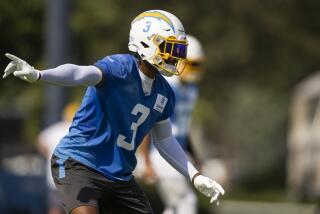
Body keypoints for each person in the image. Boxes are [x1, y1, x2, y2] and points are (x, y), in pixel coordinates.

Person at [3, 10, 224, 214]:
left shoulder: (165, 93)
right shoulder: (120, 68)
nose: (175, 57)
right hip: (79, 163)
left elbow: (165, 140)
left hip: (119, 176)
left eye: (178, 50)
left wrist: (195, 176)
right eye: (170, 48)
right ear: (146, 43)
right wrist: (40, 75)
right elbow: (80, 74)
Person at [139, 35, 205, 214]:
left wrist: (194, 154)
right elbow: (149, 122)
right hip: (161, 155)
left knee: (174, 207)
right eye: (193, 64)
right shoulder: (167, 86)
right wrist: (146, 160)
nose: (196, 70)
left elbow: (184, 126)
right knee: (186, 203)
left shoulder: (192, 89)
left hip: (178, 152)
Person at [37, 102, 79, 214]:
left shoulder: (55, 129)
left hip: (54, 178)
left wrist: (49, 156)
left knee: (55, 208)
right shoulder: (80, 131)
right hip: (74, 179)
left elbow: (40, 141)